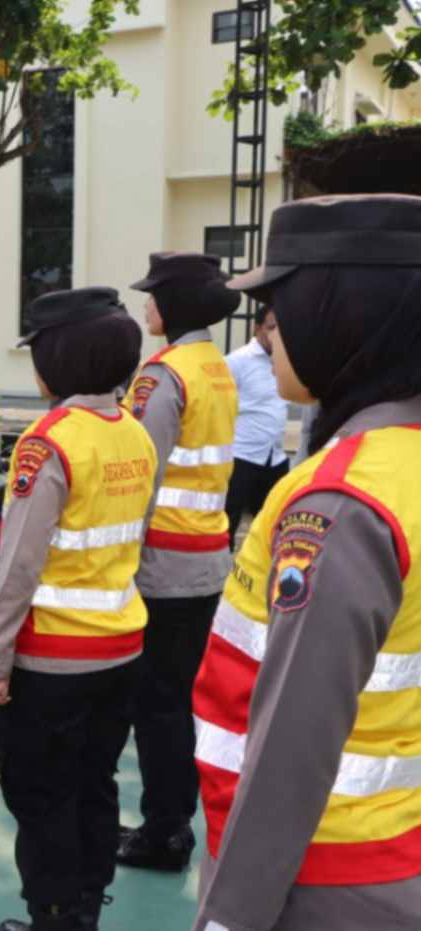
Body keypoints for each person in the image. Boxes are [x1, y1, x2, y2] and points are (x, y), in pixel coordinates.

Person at [192, 193, 421, 930]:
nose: (269, 331)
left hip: (321, 874)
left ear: (343, 314)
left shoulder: (338, 502)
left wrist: (228, 916)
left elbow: (289, 747)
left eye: (281, 306)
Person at [0, 289, 155, 931]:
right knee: (95, 783)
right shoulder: (133, 431)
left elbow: (19, 566)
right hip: (121, 648)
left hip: (52, 662)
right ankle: (84, 906)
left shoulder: (46, 443)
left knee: (42, 795)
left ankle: (53, 916)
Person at [117, 252, 240, 873]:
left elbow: (142, 474)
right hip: (209, 558)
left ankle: (165, 831)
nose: (146, 308)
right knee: (185, 700)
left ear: (174, 308)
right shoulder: (217, 368)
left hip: (163, 563)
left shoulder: (162, 377)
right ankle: (178, 820)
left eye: (153, 298)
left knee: (157, 707)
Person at [223, 305, 290, 547]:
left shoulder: (286, 359)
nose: (275, 334)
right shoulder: (237, 361)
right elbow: (222, 406)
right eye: (271, 327)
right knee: (227, 523)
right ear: (257, 327)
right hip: (242, 455)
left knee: (276, 524)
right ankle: (220, 578)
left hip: (275, 456)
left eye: (280, 328)